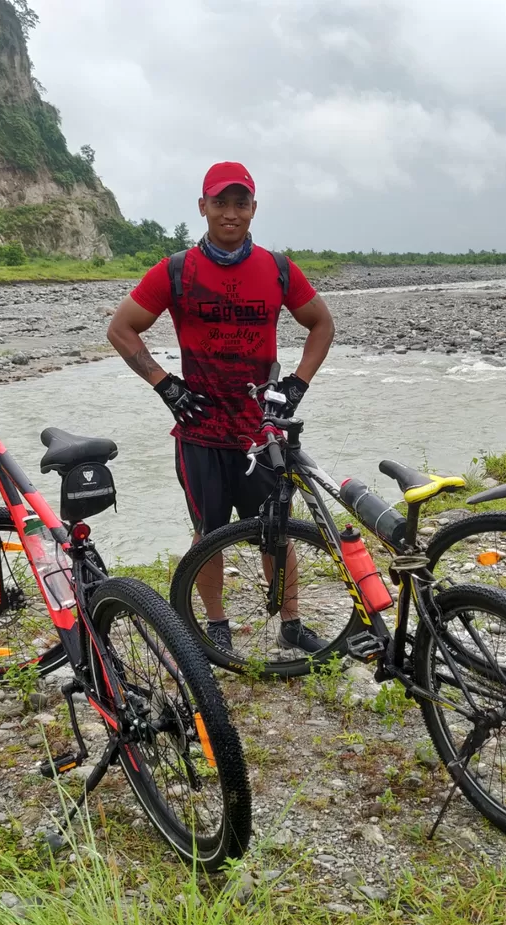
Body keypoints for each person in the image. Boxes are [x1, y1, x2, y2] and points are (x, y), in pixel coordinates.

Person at [107, 161, 335, 653]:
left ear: (254, 208)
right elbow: (121, 328)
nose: (230, 213)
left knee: (276, 529)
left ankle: (291, 623)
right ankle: (216, 626)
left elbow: (322, 325)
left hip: (262, 429)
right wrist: (165, 386)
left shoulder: (278, 269)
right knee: (208, 533)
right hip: (201, 429)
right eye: (220, 203)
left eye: (240, 203)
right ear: (203, 207)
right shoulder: (177, 270)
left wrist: (297, 384)